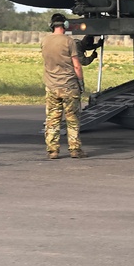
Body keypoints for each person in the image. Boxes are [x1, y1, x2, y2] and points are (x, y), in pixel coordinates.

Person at [40, 13, 86, 160]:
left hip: (52, 86)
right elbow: (77, 66)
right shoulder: (69, 42)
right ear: (65, 25)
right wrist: (81, 83)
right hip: (69, 86)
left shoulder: (44, 41)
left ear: (51, 25)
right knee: (72, 119)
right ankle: (75, 150)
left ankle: (52, 151)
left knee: (52, 119)